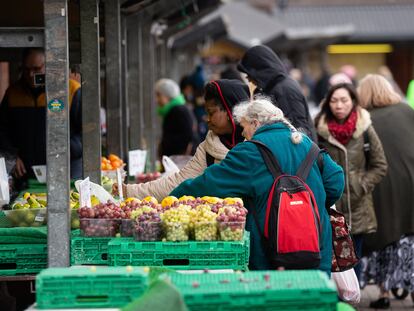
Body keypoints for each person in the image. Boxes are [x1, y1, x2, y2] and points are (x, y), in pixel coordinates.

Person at [170, 98, 345, 274]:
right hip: (315, 250)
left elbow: (209, 184)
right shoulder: (305, 143)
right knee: (316, 299)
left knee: (276, 300)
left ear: (255, 123)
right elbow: (335, 182)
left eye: (244, 127)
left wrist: (173, 198)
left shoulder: (249, 152)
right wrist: (307, 206)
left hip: (271, 258)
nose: (243, 134)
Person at [120, 79, 249, 201]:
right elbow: (178, 182)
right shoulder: (208, 148)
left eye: (211, 112)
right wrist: (129, 192)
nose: (207, 119)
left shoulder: (255, 146)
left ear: (231, 112)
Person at [314, 83, 387, 278]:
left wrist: (361, 185)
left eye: (344, 100)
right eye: (334, 100)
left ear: (353, 102)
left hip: (358, 208)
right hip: (330, 207)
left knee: (354, 261)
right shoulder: (318, 129)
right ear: (327, 103)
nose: (339, 106)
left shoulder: (364, 128)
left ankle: (352, 304)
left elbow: (380, 165)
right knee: (332, 262)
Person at [357, 74, 414, 309]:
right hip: (411, 180)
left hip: (382, 185)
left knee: (382, 236)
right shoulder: (407, 111)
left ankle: (382, 293)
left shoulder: (364, 119)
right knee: (409, 239)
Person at [0, 48, 83, 180]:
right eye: (26, 70)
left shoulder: (71, 91)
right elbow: (2, 131)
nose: (31, 74)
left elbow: (87, 133)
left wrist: (68, 147)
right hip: (27, 175)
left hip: (67, 172)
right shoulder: (13, 94)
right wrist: (12, 156)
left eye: (37, 69)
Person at [237, 45, 316, 140]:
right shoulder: (273, 87)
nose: (248, 78)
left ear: (260, 70)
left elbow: (299, 130)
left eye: (249, 73)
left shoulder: (284, 89)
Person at [155, 78, 198, 157]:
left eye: (159, 95)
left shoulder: (178, 110)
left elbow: (188, 135)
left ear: (167, 95)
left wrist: (166, 143)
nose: (157, 100)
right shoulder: (173, 109)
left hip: (179, 159)